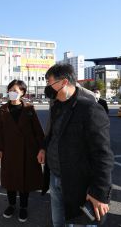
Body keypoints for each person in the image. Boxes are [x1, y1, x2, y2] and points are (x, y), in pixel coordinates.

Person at [43, 64, 114, 227]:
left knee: (79, 223)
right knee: (58, 222)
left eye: (49, 82)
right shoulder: (56, 106)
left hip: (78, 183)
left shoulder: (90, 109)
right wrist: (43, 148)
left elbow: (103, 155)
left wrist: (100, 192)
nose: (47, 87)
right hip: (55, 177)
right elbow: (53, 135)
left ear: (63, 82)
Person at [0, 80, 48, 223]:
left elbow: (38, 131)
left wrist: (42, 148)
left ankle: (23, 207)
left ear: (22, 92)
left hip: (27, 150)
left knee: (24, 180)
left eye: (15, 90)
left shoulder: (29, 109)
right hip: (9, 150)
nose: (12, 92)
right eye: (10, 90)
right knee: (10, 180)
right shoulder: (3, 109)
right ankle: (11, 205)